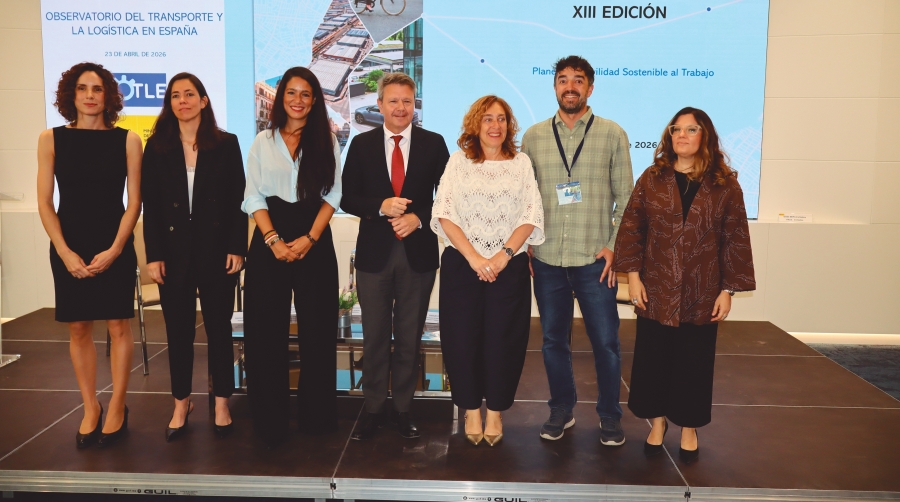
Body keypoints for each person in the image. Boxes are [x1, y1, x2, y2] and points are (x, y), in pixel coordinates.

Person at [613, 107, 755, 463]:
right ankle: (657, 423)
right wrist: (632, 277)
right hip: (656, 287)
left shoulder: (725, 184)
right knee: (653, 359)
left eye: (691, 130)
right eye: (677, 129)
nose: (682, 135)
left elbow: (734, 237)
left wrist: (728, 289)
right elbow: (632, 228)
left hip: (702, 291)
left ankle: (688, 427)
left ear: (704, 136)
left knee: (694, 362)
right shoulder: (652, 178)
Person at [520, 55, 634, 445]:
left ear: (590, 86)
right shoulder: (533, 137)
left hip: (594, 262)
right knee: (553, 340)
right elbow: (525, 199)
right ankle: (561, 409)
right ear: (554, 86)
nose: (570, 86)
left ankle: (609, 415)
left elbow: (628, 201)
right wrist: (528, 244)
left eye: (578, 80)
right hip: (547, 258)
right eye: (563, 80)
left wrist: (614, 249)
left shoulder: (612, 134)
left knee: (605, 341)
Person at [37, 62, 142, 448]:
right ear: (71, 95)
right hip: (69, 243)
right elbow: (45, 203)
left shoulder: (129, 140)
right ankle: (90, 406)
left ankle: (117, 405)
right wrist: (64, 252)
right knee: (78, 327)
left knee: (118, 326)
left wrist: (116, 248)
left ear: (108, 96)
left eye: (97, 89)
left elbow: (134, 203)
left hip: (114, 241)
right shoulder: (50, 139)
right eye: (82, 89)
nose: (90, 96)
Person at [341, 73, 450, 440]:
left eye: (407, 101)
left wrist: (419, 218)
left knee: (408, 338)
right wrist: (379, 207)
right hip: (374, 257)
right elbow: (347, 199)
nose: (401, 107)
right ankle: (373, 408)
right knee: (373, 337)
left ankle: (403, 409)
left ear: (414, 104)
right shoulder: (361, 144)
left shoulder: (434, 144)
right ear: (380, 104)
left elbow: (449, 197)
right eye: (393, 101)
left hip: (418, 256)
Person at [431, 96, 544, 446]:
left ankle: (494, 410)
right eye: (488, 119)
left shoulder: (521, 163)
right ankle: (470, 409)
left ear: (509, 126)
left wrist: (503, 255)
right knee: (461, 339)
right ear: (475, 125)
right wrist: (475, 258)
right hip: (462, 266)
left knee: (503, 340)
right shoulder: (459, 161)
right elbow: (444, 213)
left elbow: (530, 215)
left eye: (502, 119)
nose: (495, 126)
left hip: (506, 267)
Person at [141, 72, 247, 442]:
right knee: (179, 331)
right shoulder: (156, 147)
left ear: (203, 100)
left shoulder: (226, 144)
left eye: (189, 94)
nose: (182, 101)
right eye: (175, 96)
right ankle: (181, 401)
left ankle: (221, 401)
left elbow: (239, 202)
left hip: (217, 252)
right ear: (169, 104)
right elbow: (149, 208)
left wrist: (238, 246)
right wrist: (153, 255)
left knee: (219, 328)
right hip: (172, 254)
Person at [241, 67, 342, 447]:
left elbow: (334, 195)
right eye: (291, 93)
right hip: (270, 239)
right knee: (266, 335)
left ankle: (317, 421)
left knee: (318, 333)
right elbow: (253, 196)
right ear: (281, 98)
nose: (298, 100)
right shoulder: (261, 142)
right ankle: (270, 423)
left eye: (306, 94)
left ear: (315, 101)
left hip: (314, 236)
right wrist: (273, 239)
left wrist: (309, 239)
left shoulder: (327, 141)